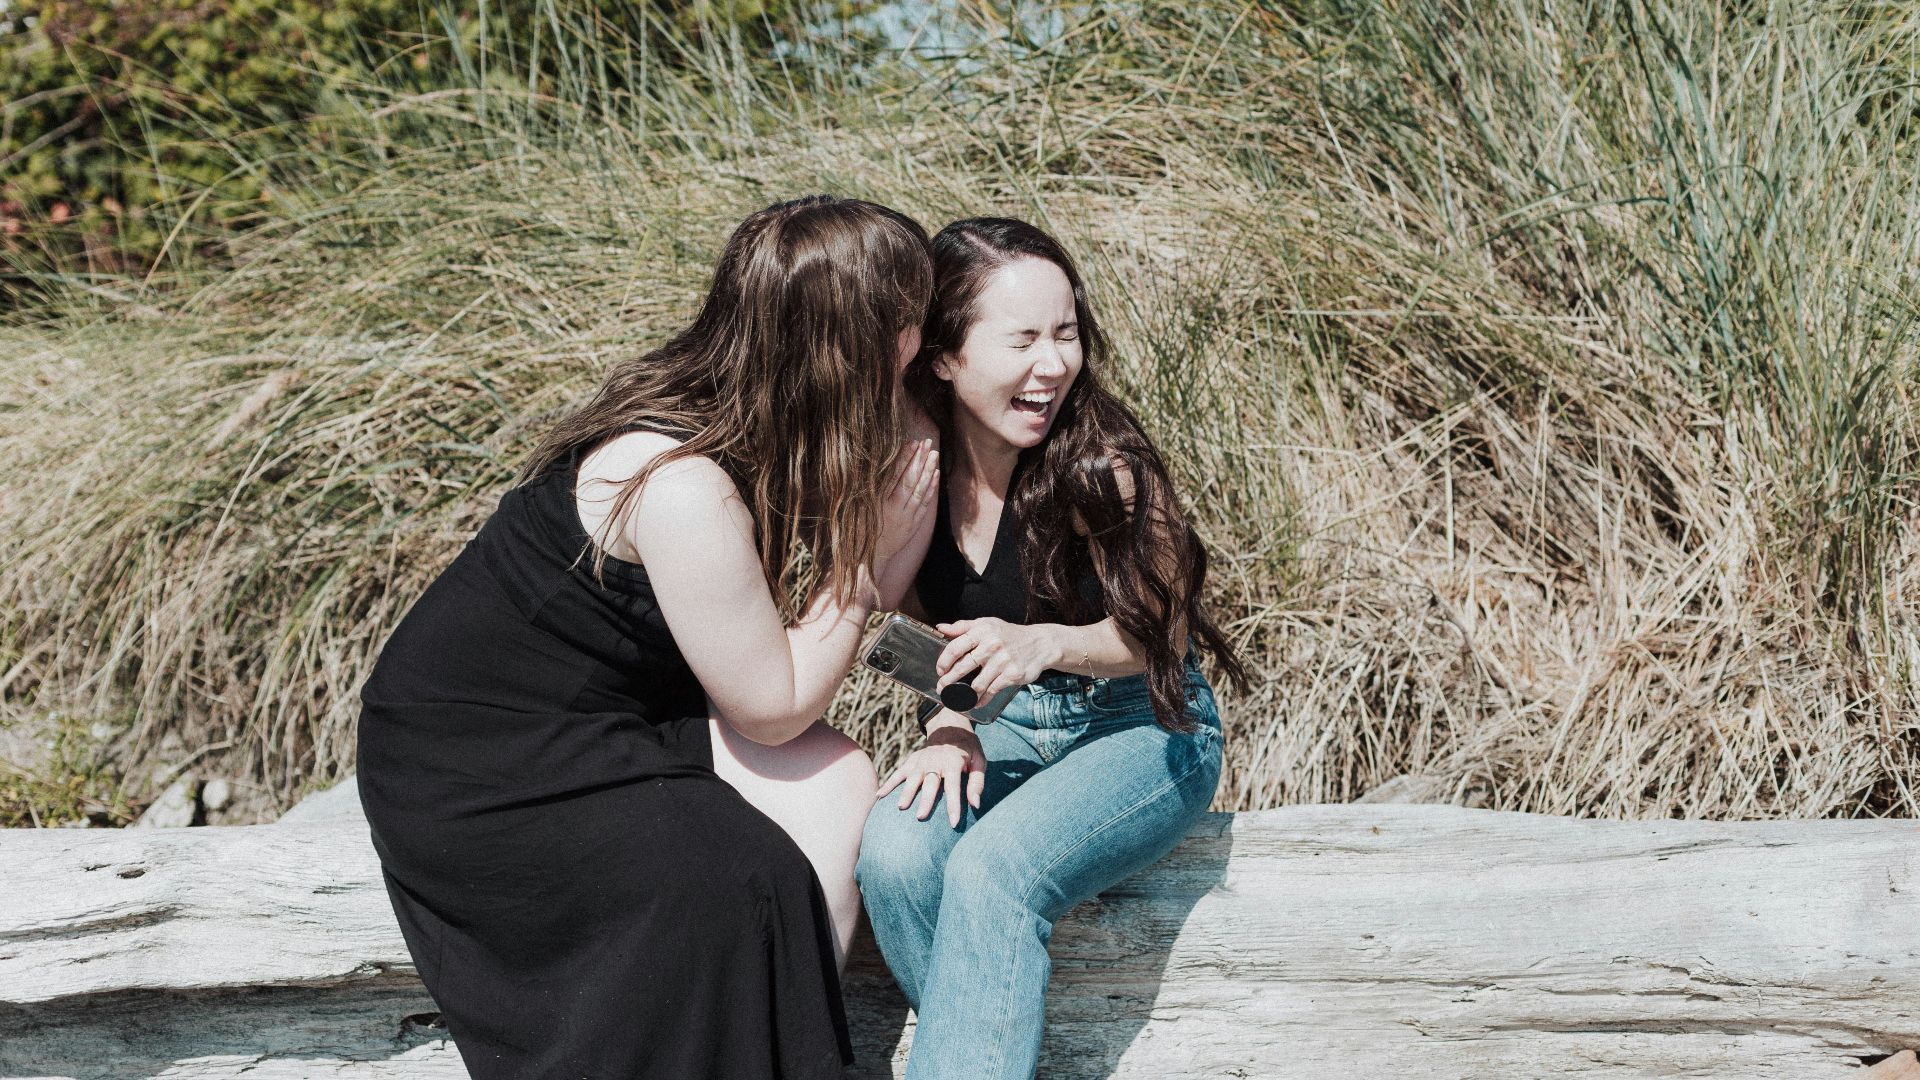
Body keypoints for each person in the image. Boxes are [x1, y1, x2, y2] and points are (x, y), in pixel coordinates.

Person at [356, 195, 940, 1080]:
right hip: (481, 759)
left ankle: (771, 1050)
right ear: (855, 344)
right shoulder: (677, 480)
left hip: (606, 717)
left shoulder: (737, 410)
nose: (924, 340)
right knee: (732, 882)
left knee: (835, 782)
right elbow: (774, 706)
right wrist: (863, 569)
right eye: (910, 320)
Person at [855, 217, 1250, 1079]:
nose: (1054, 364)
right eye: (1024, 339)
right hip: (1003, 722)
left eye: (1066, 334)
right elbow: (934, 643)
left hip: (1148, 724)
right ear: (947, 357)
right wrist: (948, 725)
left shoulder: (1104, 463)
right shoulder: (913, 465)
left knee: (994, 873)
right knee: (891, 855)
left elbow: (1158, 638)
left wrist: (1043, 643)